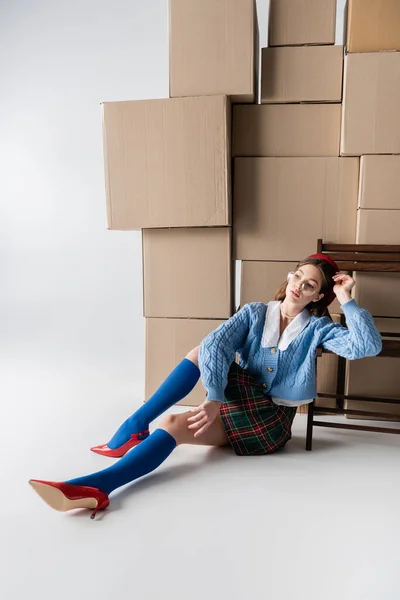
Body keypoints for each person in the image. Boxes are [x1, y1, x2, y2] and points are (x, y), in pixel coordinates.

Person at [29, 254, 382, 518]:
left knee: (185, 390)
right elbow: (216, 346)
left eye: (309, 285)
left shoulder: (319, 329)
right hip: (238, 401)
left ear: (318, 296)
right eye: (298, 275)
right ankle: (102, 481)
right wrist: (214, 396)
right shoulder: (255, 313)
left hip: (269, 422)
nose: (298, 285)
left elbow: (367, 346)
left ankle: (124, 441)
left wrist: (347, 298)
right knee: (188, 386)